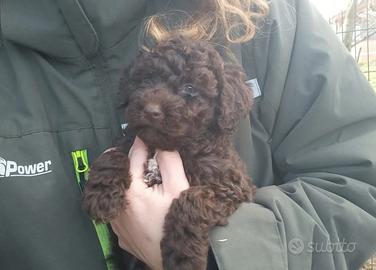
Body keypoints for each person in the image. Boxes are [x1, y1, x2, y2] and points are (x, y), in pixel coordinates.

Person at [0, 0, 375, 270]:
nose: (153, 104)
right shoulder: (134, 144)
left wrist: (213, 248)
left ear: (221, 108)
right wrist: (110, 173)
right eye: (148, 83)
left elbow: (353, 186)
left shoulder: (217, 159)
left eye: (190, 93)